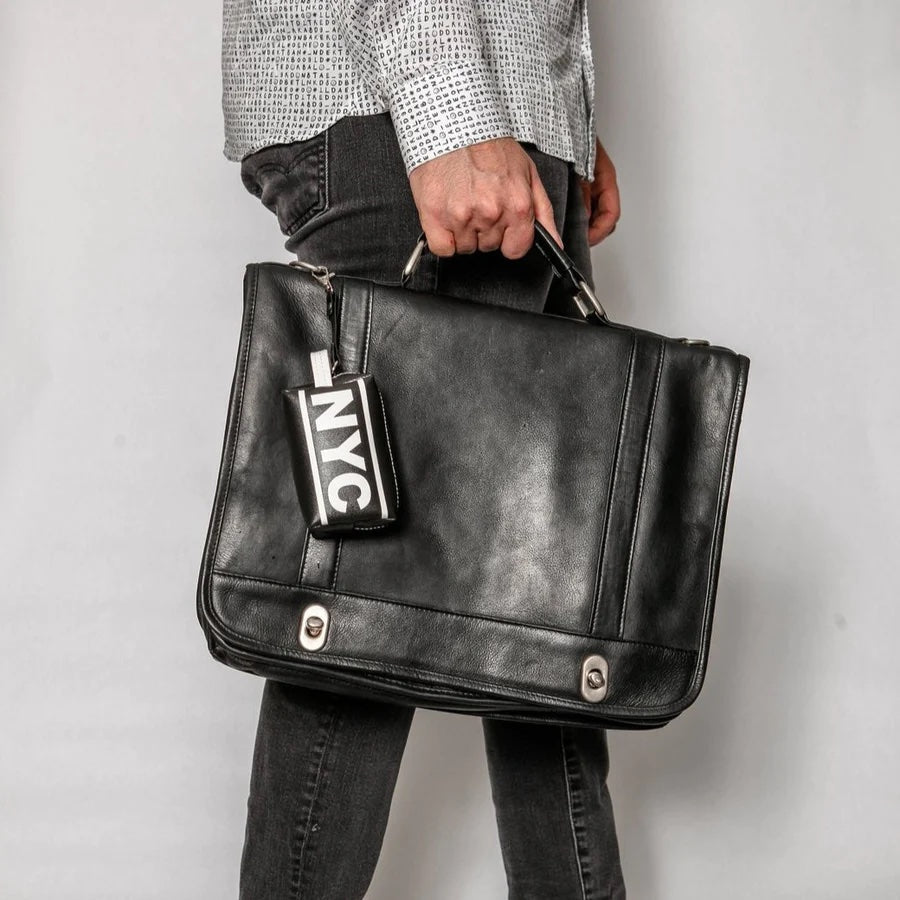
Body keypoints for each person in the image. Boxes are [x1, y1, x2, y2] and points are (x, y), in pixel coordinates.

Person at [221, 2, 625, 897]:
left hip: (504, 104)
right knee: (368, 610)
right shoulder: (446, 106)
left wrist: (562, 111)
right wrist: (454, 106)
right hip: (420, 100)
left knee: (546, 598)